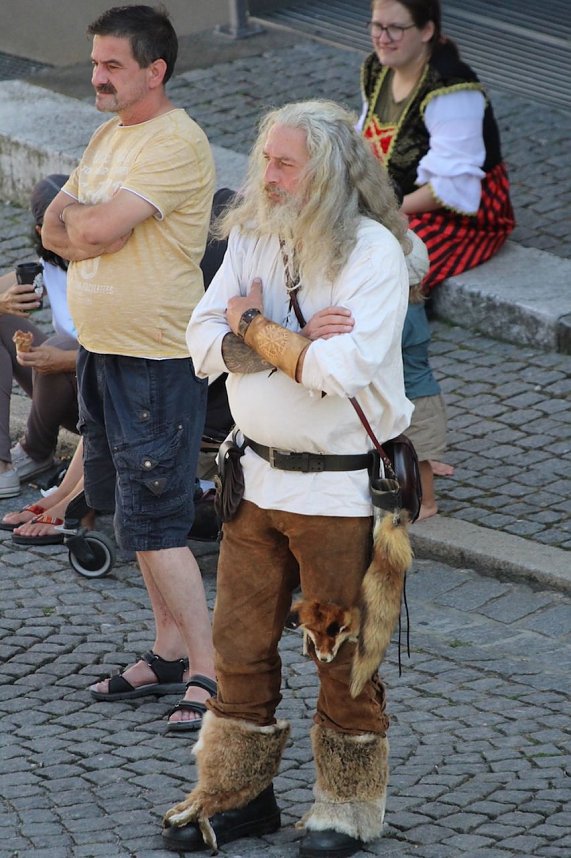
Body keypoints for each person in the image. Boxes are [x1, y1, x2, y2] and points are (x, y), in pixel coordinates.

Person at [161, 100, 413, 858]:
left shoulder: (372, 254)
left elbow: (337, 371)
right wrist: (273, 336)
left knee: (339, 652)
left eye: (283, 164)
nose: (264, 177)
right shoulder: (251, 233)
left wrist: (254, 324)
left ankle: (346, 805)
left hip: (338, 494)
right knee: (237, 647)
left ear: (327, 174)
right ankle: (237, 797)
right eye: (264, 159)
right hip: (254, 484)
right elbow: (199, 338)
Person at [41, 5, 216, 731]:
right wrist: (80, 227)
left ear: (155, 70)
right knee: (126, 513)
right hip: (105, 351)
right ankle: (167, 649)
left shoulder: (174, 144)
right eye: (95, 63)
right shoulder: (109, 135)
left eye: (112, 65)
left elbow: (94, 226)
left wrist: (82, 226)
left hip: (154, 358)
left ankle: (211, 671)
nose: (98, 77)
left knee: (160, 519)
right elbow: (52, 225)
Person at [358, 0, 515, 291]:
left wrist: (382, 209)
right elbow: (363, 136)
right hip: (393, 196)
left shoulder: (450, 89)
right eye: (377, 25)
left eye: (396, 28)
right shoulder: (378, 69)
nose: (382, 37)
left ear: (427, 30)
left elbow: (451, 186)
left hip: (456, 212)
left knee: (388, 261)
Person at [0, 174, 79, 500]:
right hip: (60, 382)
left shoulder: (118, 262)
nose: (73, 237)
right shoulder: (46, 267)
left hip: (102, 390)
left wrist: (67, 358)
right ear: (40, 233)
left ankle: (36, 449)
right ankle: (2, 463)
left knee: (58, 346)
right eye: (59, 228)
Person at [401, 232, 448, 518]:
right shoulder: (414, 305)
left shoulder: (402, 315)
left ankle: (427, 504)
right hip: (414, 393)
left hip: (418, 399)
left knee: (418, 456)